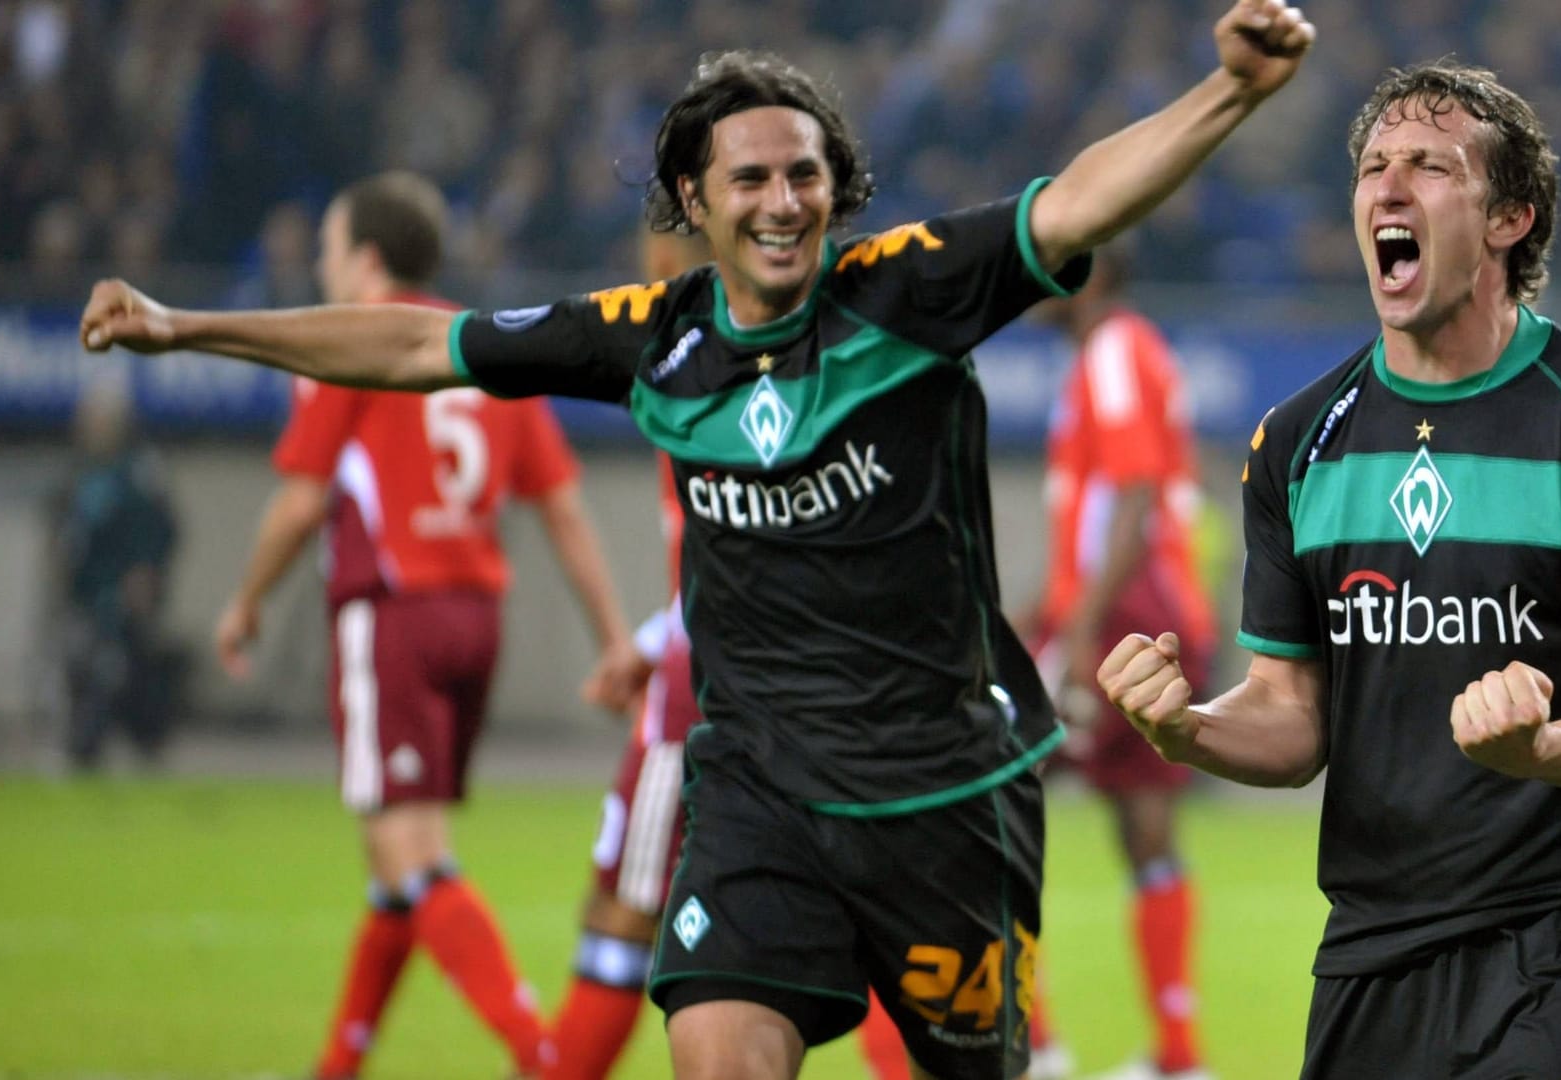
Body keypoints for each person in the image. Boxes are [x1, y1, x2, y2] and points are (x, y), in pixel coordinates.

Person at [80, 6, 1316, 1076]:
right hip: (756, 789)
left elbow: (1084, 195)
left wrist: (1231, 91)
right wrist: (187, 328)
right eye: (750, 180)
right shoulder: (650, 338)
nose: (783, 203)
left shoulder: (909, 290)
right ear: (694, 199)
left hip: (944, 792)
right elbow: (415, 345)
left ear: (838, 186)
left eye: (806, 175)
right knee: (716, 1050)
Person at [1099, 62, 1561, 1079]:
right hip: (1371, 947)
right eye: (1375, 165)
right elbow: (1292, 716)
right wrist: (1186, 728)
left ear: (1512, 215)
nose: (1389, 186)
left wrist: (1541, 748)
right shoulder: (1293, 445)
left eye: (1431, 165)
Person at [207, 171, 643, 1080]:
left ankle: (545, 1056)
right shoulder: (487, 349)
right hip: (475, 618)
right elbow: (561, 506)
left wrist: (245, 601)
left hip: (392, 613)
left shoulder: (354, 347)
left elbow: (297, 506)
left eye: (330, 248)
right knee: (395, 868)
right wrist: (611, 633)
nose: (325, 267)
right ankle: (337, 1066)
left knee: (413, 855)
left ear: (366, 259)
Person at [546, 228, 912, 1080]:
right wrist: (647, 635)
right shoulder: (837, 363)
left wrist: (663, 645)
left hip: (708, 698)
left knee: (623, 917)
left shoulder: (686, 358)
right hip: (832, 696)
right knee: (878, 932)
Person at [1026, 245, 1215, 1080]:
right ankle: (1177, 1057)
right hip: (1145, 607)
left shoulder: (1109, 351)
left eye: (1051, 262)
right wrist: (1041, 614)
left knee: (988, 792)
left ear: (1093, 277)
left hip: (1127, 615)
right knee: (1145, 828)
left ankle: (1028, 1042)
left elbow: (1134, 500)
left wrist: (1074, 634)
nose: (1031, 279)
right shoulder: (1123, 351)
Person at [49, 375, 182, 771]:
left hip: (123, 591)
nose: (91, 426)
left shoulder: (138, 471)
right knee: (83, 667)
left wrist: (146, 570)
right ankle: (84, 746)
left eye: (99, 419)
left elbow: (161, 528)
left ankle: (143, 739)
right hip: (85, 592)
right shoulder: (79, 471)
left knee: (123, 669)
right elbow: (66, 527)